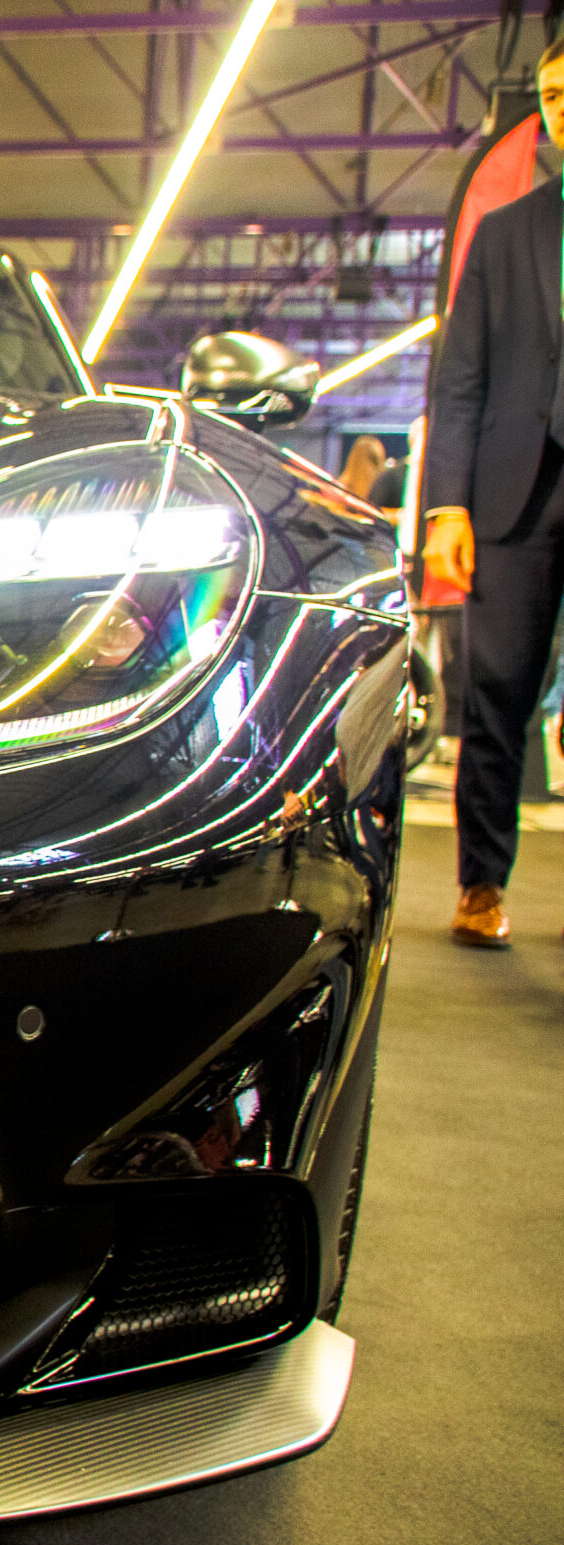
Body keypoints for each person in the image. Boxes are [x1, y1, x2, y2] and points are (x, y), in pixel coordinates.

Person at [421, 37, 564, 947]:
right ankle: (480, 884)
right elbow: (461, 378)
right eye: (551, 92)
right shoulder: (506, 232)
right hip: (516, 494)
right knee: (496, 692)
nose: (562, 105)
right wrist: (446, 507)